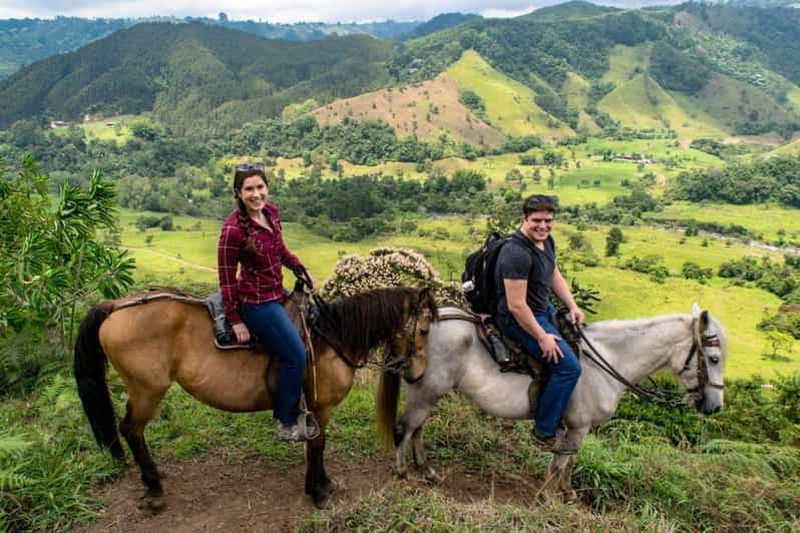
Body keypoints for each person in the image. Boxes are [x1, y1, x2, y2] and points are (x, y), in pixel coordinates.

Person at [217, 162, 318, 442]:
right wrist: (236, 318)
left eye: (260, 187)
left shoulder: (271, 213)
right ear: (238, 193)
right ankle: (285, 420)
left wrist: (300, 268)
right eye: (249, 189)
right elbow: (226, 279)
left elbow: (280, 251)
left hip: (277, 291)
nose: (256, 194)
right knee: (296, 354)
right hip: (257, 303)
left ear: (267, 188)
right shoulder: (233, 230)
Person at [494, 194, 584, 451]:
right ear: (524, 218)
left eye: (548, 221)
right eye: (537, 221)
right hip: (517, 319)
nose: (543, 226)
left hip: (543, 309)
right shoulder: (516, 253)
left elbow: (553, 273)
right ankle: (544, 430)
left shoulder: (547, 241)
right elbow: (516, 305)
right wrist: (542, 336)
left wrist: (572, 305)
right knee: (569, 368)